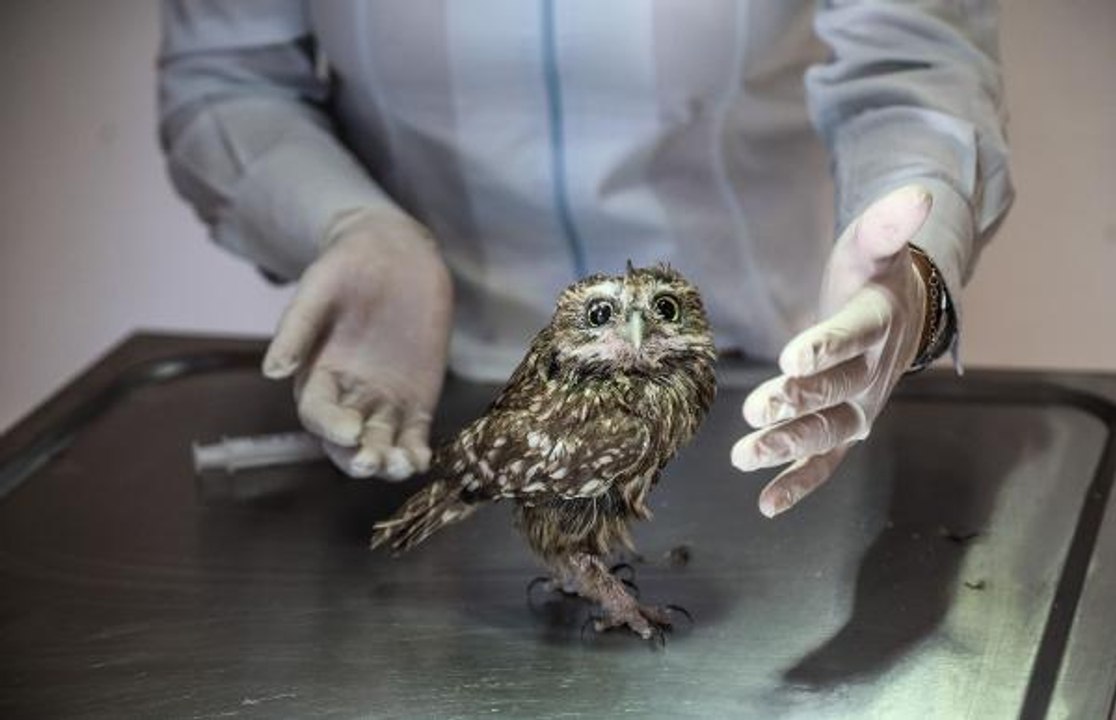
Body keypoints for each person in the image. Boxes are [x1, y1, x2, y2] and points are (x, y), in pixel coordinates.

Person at [158, 1, 1012, 517]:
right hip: (409, 398)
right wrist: (349, 225)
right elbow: (228, 80)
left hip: (756, 400)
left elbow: (915, 63)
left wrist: (915, 268)